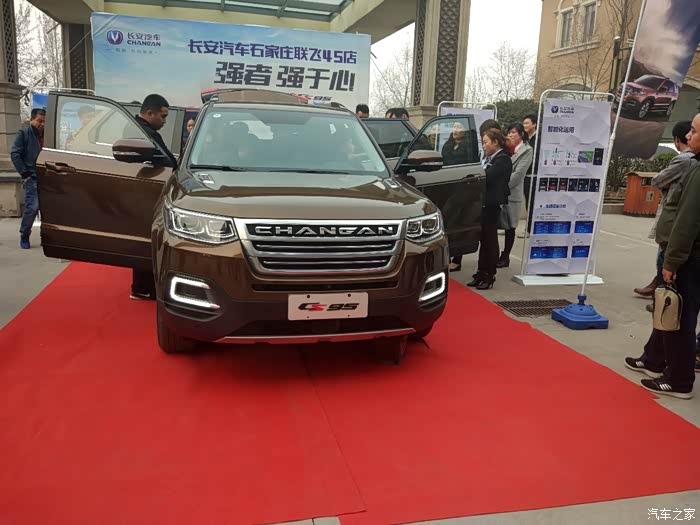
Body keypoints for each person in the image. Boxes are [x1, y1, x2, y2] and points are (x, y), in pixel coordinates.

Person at [625, 112, 700, 398]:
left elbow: (687, 220)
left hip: (688, 257)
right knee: (670, 311)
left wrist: (672, 260)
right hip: (687, 254)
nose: (688, 136)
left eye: (694, 131)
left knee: (680, 318)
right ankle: (654, 360)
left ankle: (678, 380)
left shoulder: (696, 170)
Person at [633, 120, 695, 302]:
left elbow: (658, 180)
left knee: (665, 257)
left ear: (676, 139)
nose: (689, 136)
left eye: (693, 132)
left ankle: (663, 300)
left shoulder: (684, 159)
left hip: (674, 220)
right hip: (683, 222)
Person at [130, 94, 177, 300]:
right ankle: (143, 287)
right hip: (146, 191)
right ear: (150, 113)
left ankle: (143, 286)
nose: (165, 121)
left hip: (145, 190)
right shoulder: (144, 133)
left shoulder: (142, 130)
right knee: (147, 237)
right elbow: (166, 161)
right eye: (163, 116)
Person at [467, 128, 511, 290]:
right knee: (483, 239)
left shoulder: (503, 159)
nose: (483, 146)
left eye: (486, 142)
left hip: (492, 205)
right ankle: (481, 271)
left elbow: (487, 176)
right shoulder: (488, 158)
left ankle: (490, 274)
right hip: (483, 204)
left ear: (495, 142)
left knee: (490, 240)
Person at [497, 123, 534, 268]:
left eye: (514, 132)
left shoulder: (527, 150)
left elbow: (518, 174)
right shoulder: (505, 148)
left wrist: (501, 185)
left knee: (510, 227)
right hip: (499, 191)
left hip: (512, 192)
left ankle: (505, 256)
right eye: (509, 132)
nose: (511, 135)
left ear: (521, 134)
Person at [11, 108, 45, 249]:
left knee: (48, 209)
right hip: (31, 176)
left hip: (48, 176)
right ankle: (24, 235)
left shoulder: (48, 135)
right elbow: (15, 154)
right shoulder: (24, 134)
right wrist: (25, 174)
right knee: (32, 207)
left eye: (44, 121)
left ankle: (46, 237)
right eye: (39, 121)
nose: (42, 124)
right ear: (32, 120)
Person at [521, 113, 539, 236]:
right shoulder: (525, 139)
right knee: (528, 201)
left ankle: (529, 229)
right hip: (525, 175)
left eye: (527, 123)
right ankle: (529, 228)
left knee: (532, 202)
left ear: (534, 124)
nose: (525, 125)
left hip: (535, 175)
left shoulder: (539, 138)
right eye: (524, 123)